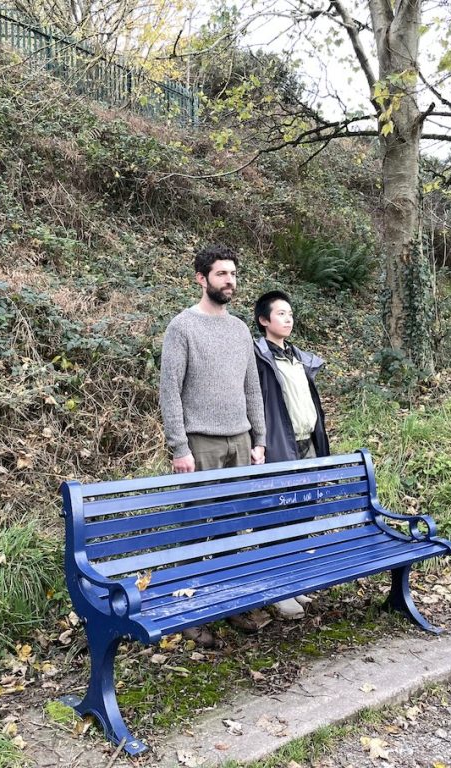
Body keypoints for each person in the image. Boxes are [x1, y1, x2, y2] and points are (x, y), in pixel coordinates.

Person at [159, 243, 269, 645]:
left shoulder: (240, 329)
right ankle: (190, 608)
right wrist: (179, 447)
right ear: (201, 279)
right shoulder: (182, 327)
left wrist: (259, 440)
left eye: (234, 274)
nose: (230, 281)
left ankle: (229, 603)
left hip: (240, 440)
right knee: (194, 527)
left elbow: (253, 389)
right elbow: (169, 390)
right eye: (222, 274)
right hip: (200, 443)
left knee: (234, 524)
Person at [253, 290, 330, 619]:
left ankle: (294, 581)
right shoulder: (258, 359)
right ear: (264, 320)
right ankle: (276, 587)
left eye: (290, 313)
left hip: (307, 444)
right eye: (281, 313)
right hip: (280, 445)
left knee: (304, 514)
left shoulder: (299, 358)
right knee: (277, 517)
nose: (288, 319)